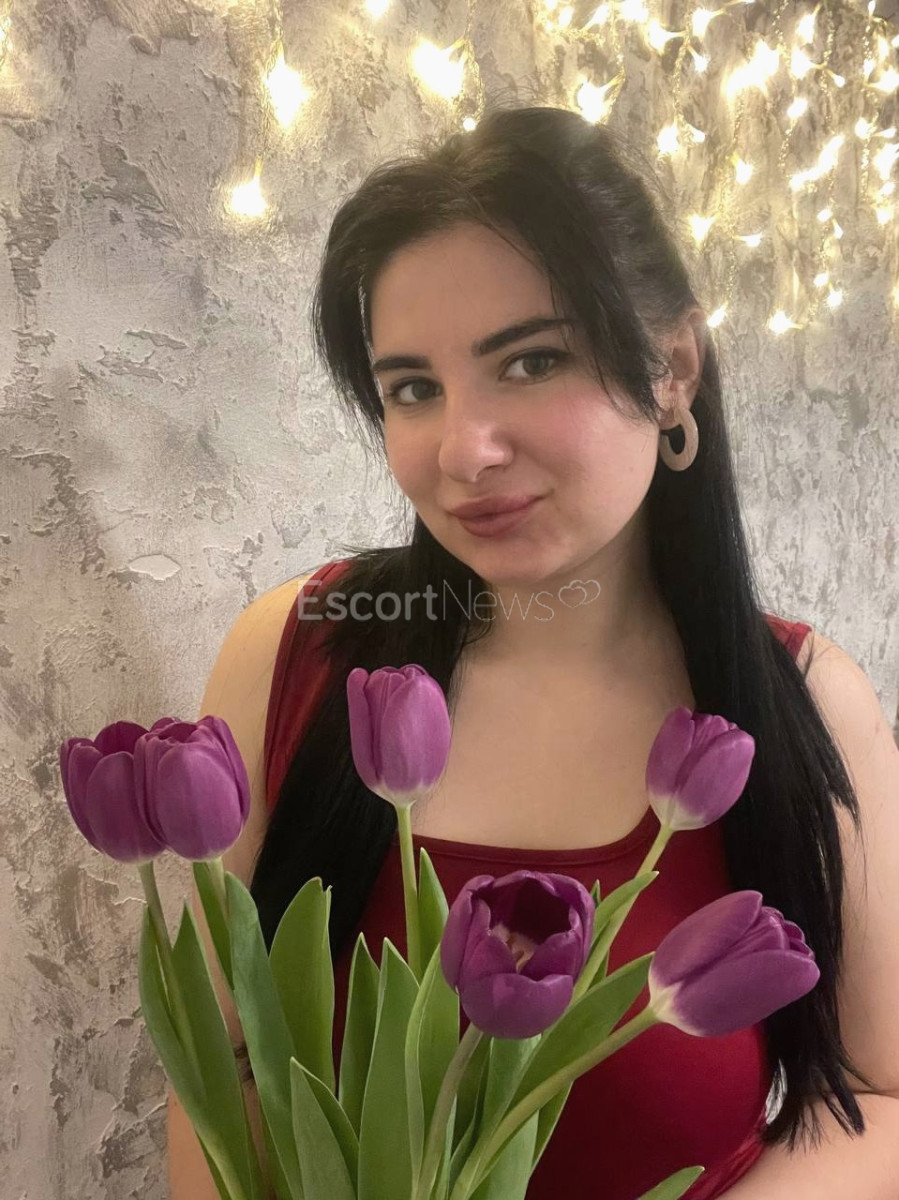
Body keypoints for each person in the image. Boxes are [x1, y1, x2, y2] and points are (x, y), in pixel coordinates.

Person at [167, 103, 899, 1199]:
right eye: (412, 388)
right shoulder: (296, 653)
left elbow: (881, 1096)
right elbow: (218, 1065)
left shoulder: (800, 700)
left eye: (531, 360)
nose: (464, 450)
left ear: (672, 369)